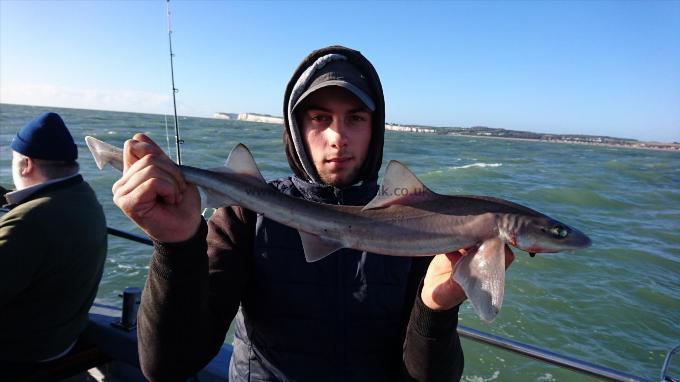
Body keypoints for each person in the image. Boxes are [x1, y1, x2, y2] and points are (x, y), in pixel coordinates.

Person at [113, 46, 514, 381]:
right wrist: (176, 246)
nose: (338, 138)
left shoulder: (417, 227)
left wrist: (434, 310)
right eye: (320, 119)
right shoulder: (245, 217)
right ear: (296, 128)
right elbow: (167, 366)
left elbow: (427, 377)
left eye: (355, 118)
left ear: (375, 130)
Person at [0, 112, 108, 377]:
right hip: (62, 335)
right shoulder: (84, 197)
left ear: (26, 165)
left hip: (22, 353)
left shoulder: (28, 222)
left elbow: (30, 229)